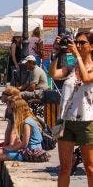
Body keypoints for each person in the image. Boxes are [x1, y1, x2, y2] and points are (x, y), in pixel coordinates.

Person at [49, 31, 93, 187]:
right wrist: (56, 53)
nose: (78, 45)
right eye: (76, 42)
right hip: (66, 121)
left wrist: (77, 55)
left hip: (87, 122)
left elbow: (87, 78)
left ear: (92, 46)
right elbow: (53, 73)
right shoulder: (71, 68)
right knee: (64, 168)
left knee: (90, 168)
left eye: (82, 43)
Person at [0, 97, 46, 187]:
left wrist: (9, 148)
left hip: (32, 152)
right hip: (28, 149)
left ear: (18, 110)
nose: (11, 110)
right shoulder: (24, 120)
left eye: (13, 109)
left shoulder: (27, 122)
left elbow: (24, 144)